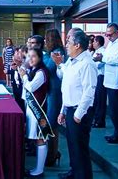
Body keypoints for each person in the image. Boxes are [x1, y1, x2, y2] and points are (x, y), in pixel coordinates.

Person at [54, 29, 97, 179]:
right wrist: (63, 110)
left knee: (80, 148)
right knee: (73, 146)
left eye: (69, 43)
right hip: (70, 108)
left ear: (77, 45)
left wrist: (79, 114)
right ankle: (74, 172)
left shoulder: (87, 63)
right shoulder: (72, 61)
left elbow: (89, 91)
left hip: (80, 111)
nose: (66, 45)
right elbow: (67, 88)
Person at [94, 23, 118, 144]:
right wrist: (103, 57)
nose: (108, 37)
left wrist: (102, 58)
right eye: (106, 34)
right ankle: (116, 132)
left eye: (110, 34)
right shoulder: (111, 43)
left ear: (117, 32)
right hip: (109, 80)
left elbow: (117, 59)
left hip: (117, 80)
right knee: (113, 110)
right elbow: (108, 56)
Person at [19, 48, 50, 177]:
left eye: (33, 57)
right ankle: (37, 168)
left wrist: (24, 76)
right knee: (37, 139)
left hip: (39, 109)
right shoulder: (33, 70)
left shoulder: (41, 72)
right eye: (29, 56)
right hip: (32, 108)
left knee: (41, 138)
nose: (30, 59)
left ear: (40, 58)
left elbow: (31, 87)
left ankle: (40, 170)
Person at [44, 29, 65, 167]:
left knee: (52, 123)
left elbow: (47, 68)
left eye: (46, 39)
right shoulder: (50, 53)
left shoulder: (57, 52)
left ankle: (53, 154)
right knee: (49, 122)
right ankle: (52, 152)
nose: (45, 42)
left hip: (55, 91)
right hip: (50, 89)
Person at [92, 35, 106, 128]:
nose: (92, 43)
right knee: (96, 99)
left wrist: (92, 62)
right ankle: (97, 119)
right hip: (96, 77)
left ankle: (100, 121)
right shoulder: (96, 52)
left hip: (101, 76)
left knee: (100, 99)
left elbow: (98, 65)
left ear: (98, 42)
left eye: (94, 41)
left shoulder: (102, 51)